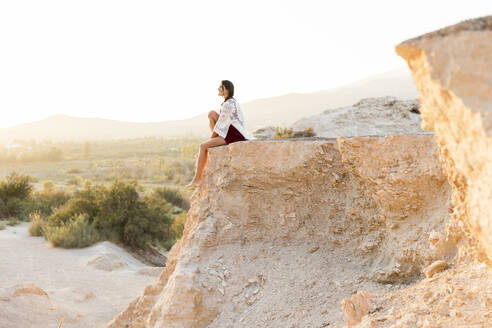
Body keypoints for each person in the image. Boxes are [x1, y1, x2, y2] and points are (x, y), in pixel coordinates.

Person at [185, 80, 251, 188]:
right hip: (229, 130)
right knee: (211, 113)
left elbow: (219, 126)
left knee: (203, 146)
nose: (218, 89)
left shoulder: (229, 104)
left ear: (227, 90)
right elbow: (220, 124)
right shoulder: (228, 102)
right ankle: (215, 141)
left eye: (221, 87)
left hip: (234, 134)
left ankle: (197, 178)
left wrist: (210, 140)